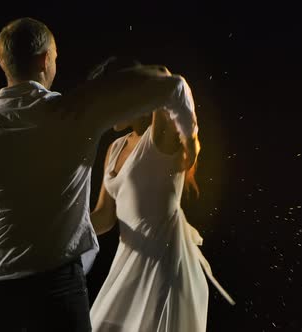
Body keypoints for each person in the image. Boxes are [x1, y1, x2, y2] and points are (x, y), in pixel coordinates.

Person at [0, 18, 200, 332]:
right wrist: (191, 142)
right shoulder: (74, 114)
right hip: (55, 287)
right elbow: (173, 86)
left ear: (4, 64)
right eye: (55, 56)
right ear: (45, 60)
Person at [88, 56, 235, 332]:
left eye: (108, 98)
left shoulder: (161, 133)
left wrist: (191, 141)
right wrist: (59, 231)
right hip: (128, 261)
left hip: (163, 262)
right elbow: (104, 217)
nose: (104, 109)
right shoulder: (115, 148)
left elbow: (171, 83)